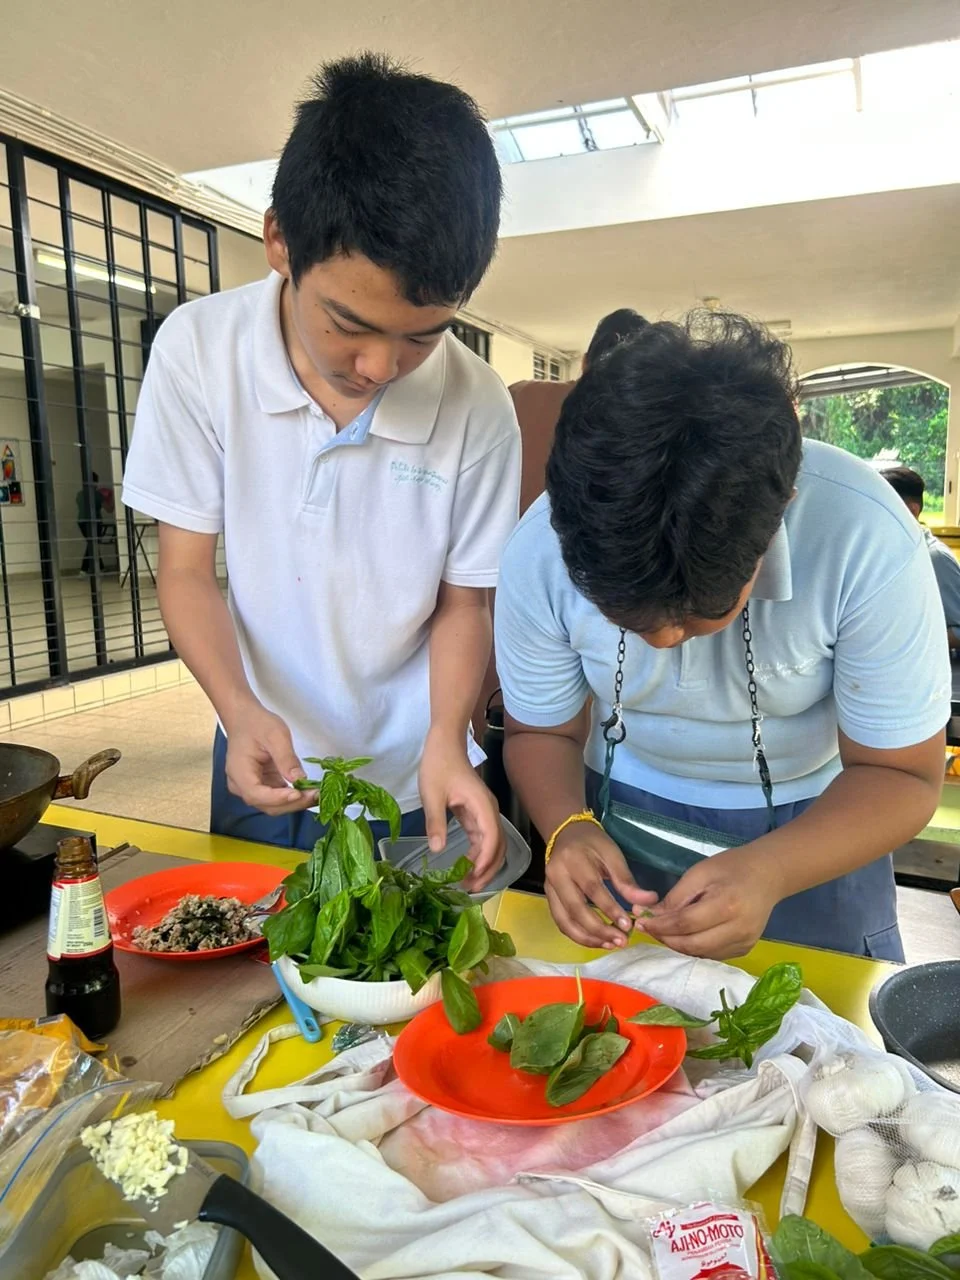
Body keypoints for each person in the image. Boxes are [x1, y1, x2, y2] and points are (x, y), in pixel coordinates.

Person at [122, 54, 520, 887]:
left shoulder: (478, 405)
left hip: (420, 770)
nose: (378, 366)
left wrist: (448, 736)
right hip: (267, 753)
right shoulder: (199, 354)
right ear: (279, 241)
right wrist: (237, 710)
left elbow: (464, 601)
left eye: (422, 335)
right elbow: (187, 571)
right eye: (349, 324)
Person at [495, 313, 950, 961]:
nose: (662, 643)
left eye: (698, 613)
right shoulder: (541, 547)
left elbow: (901, 775)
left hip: (823, 827)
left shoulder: (866, 536)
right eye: (627, 618)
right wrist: (566, 824)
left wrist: (772, 868)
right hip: (616, 810)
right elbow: (542, 731)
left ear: (779, 514)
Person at [474, 309, 649, 733]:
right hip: (573, 607)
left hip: (483, 595)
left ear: (587, 361)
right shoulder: (633, 428)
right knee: (555, 732)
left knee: (490, 726)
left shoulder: (517, 397)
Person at [882, 465, 960, 649]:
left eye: (884, 507)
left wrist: (904, 638)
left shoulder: (936, 559)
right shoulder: (891, 553)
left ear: (912, 511)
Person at [76, 471, 104, 576]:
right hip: (94, 522)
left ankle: (100, 567)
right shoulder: (97, 495)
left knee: (92, 544)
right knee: (93, 544)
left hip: (81, 522)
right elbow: (109, 509)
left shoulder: (79, 494)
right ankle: (84, 569)